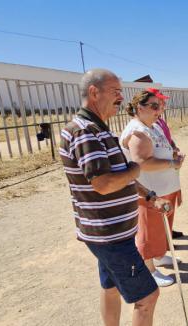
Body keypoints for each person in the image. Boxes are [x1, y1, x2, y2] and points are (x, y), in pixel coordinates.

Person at [60, 69, 159, 326]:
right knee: (147, 296)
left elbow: (118, 175)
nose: (121, 97)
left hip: (110, 232)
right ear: (94, 92)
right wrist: (135, 169)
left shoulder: (98, 129)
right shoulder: (85, 132)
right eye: (115, 91)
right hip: (110, 235)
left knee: (111, 287)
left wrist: (146, 193)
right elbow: (103, 183)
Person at [120, 88, 185, 287]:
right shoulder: (137, 131)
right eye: (154, 106)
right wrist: (172, 164)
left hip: (164, 187)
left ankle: (158, 256)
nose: (159, 110)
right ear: (139, 107)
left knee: (161, 228)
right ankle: (149, 269)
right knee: (148, 231)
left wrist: (172, 155)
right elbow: (142, 162)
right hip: (150, 191)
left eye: (161, 106)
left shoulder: (152, 125)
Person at [149, 89, 184, 239]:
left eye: (163, 101)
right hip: (161, 171)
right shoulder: (151, 122)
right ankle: (164, 237)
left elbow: (167, 138)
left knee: (171, 201)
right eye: (159, 102)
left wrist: (174, 147)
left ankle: (168, 230)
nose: (163, 104)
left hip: (170, 166)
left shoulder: (160, 121)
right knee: (164, 203)